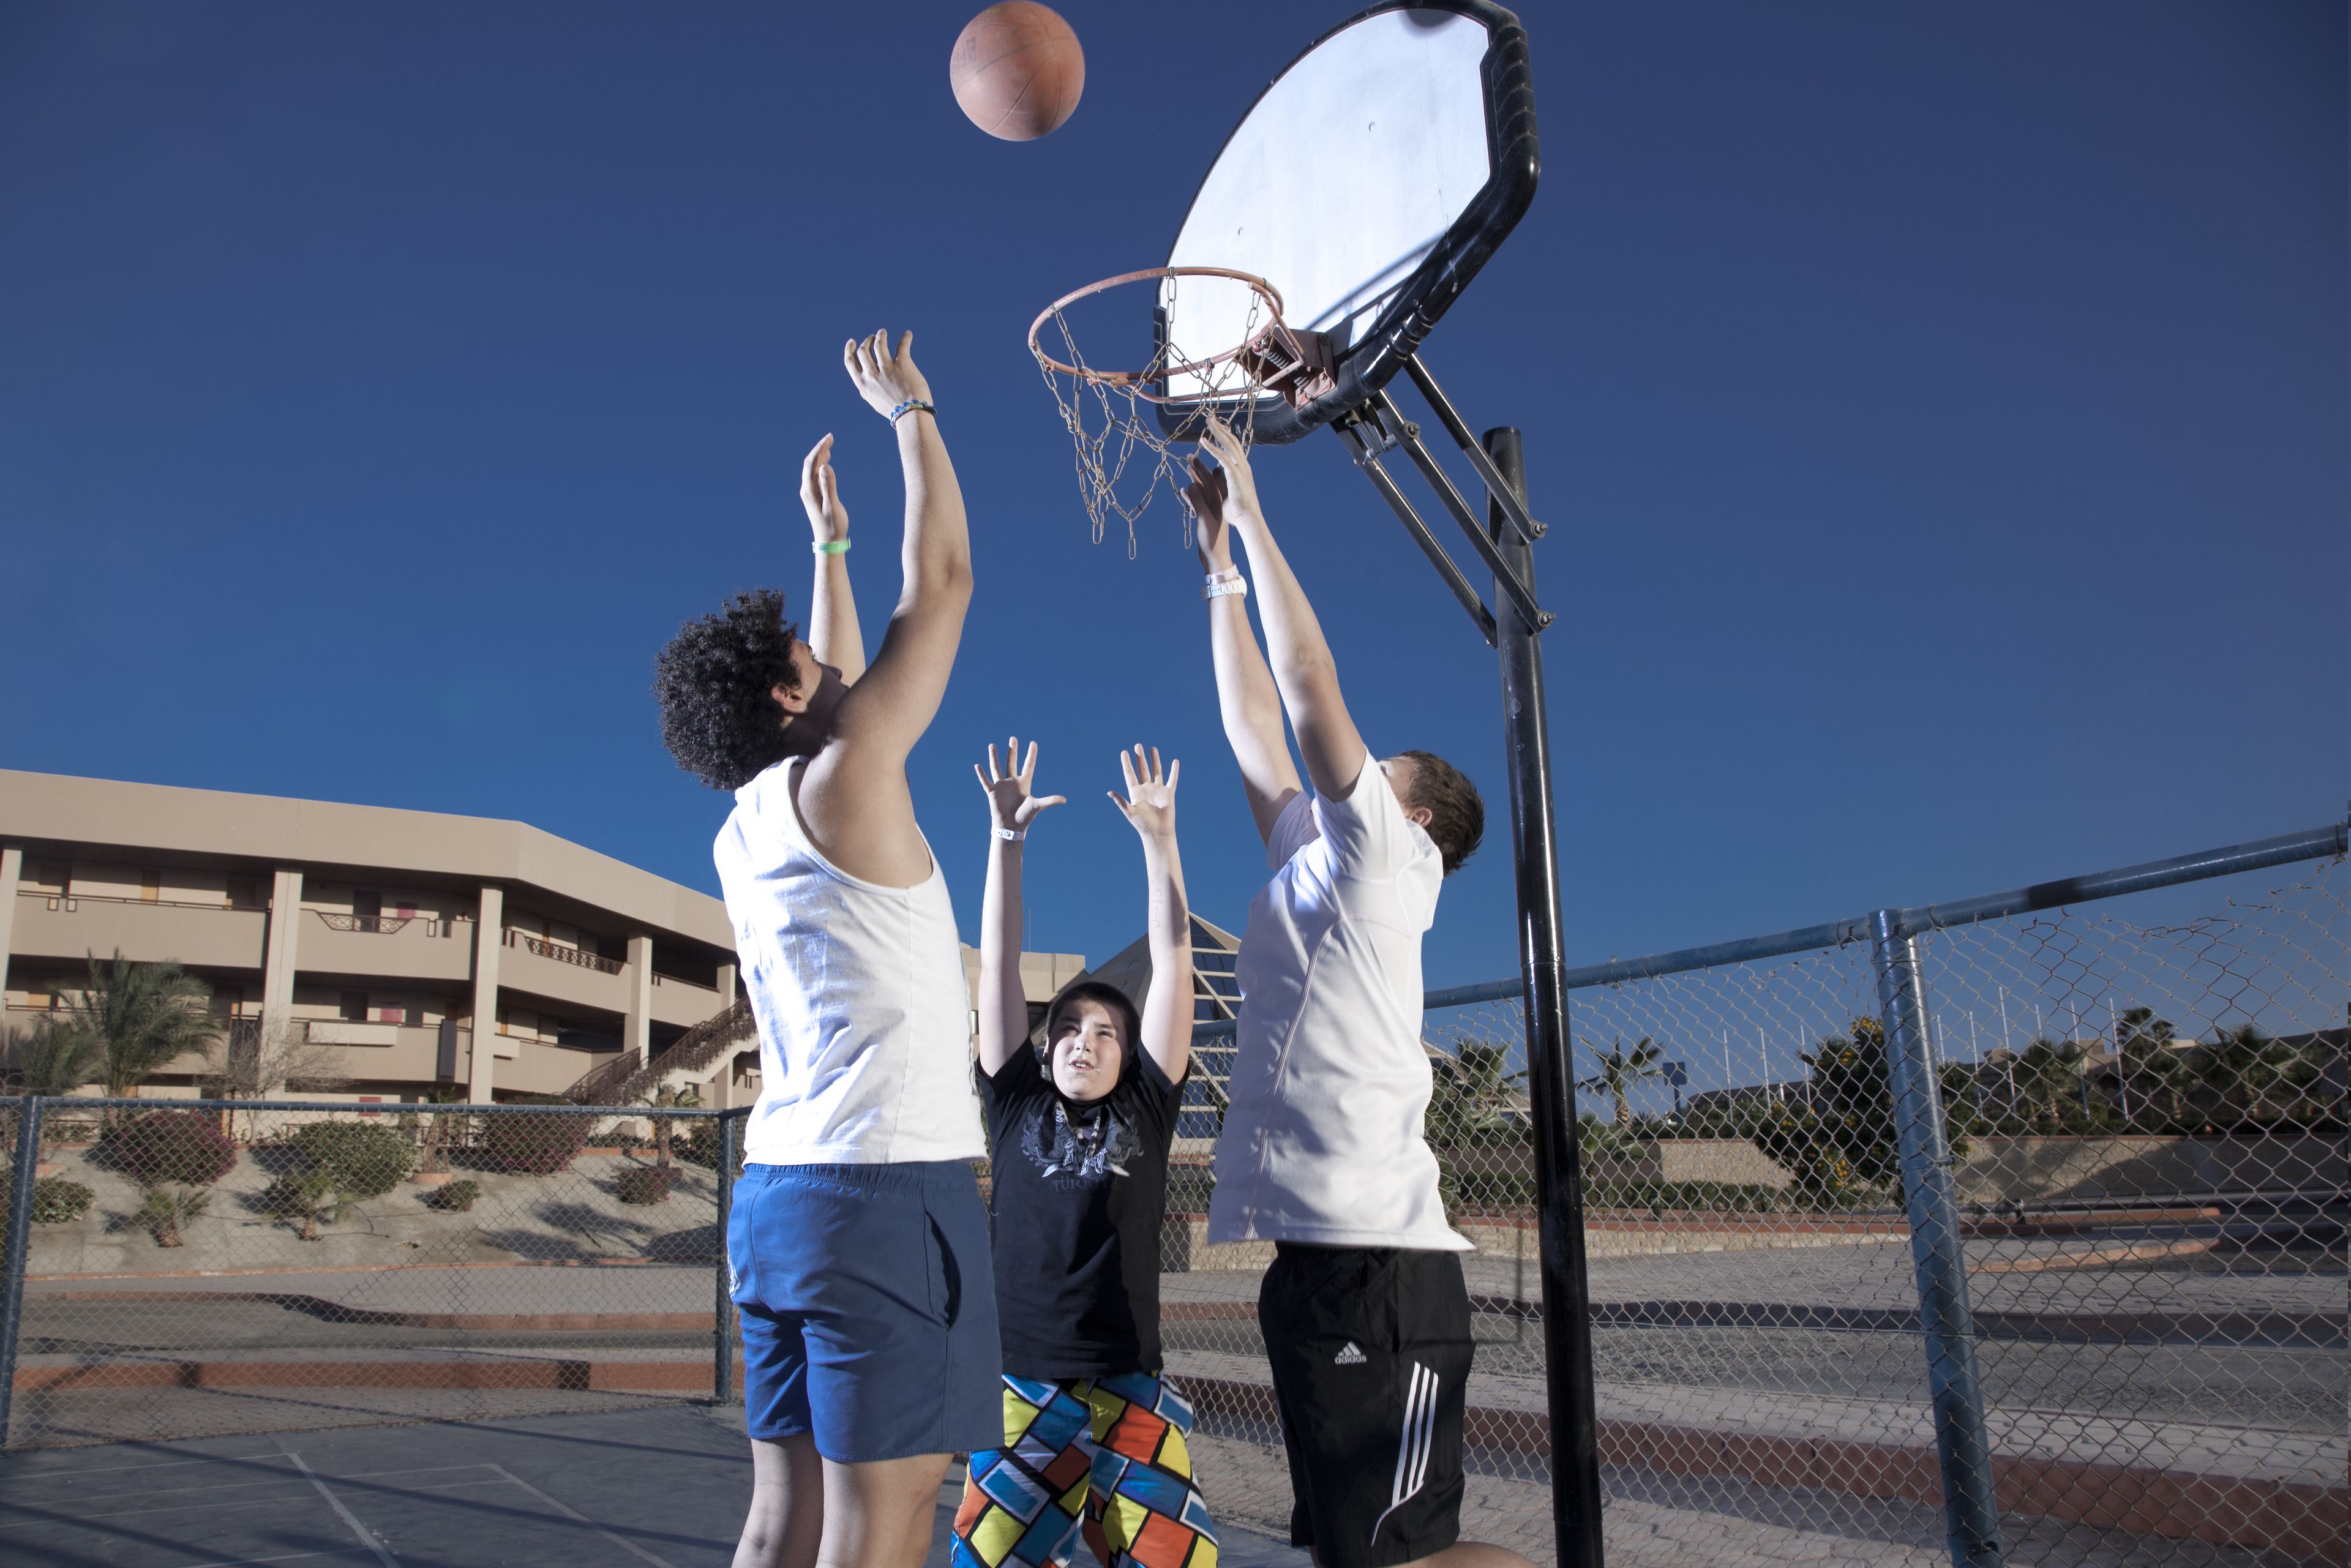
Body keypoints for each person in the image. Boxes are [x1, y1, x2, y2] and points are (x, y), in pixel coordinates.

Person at [654, 330, 996, 1568]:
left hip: (780, 1201)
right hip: (883, 1195)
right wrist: (916, 415)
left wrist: (830, 544)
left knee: (781, 1518)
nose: (829, 661)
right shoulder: (852, 782)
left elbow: (840, 671)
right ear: (794, 705)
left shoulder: (751, 824)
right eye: (808, 662)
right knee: (886, 1521)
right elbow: (946, 582)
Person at [1182, 418, 1529, 1568]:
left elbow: (1308, 686)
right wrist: (1220, 572)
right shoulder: (1320, 864)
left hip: (1383, 1266)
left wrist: (1258, 507)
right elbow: (1252, 733)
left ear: (1416, 814)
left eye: (1385, 774)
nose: (1362, 774)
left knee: (1403, 1554)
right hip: (1321, 1262)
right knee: (1349, 1549)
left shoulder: (1390, 854)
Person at [950, 738, 1220, 1568]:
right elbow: (998, 958)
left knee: (1181, 1563)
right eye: (1068, 1026)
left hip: (1130, 1384)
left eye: (1105, 1031)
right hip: (1022, 1388)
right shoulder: (1015, 1096)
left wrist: (1160, 841)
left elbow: (1174, 956)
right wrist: (1007, 841)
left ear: (1130, 1053)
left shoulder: (1147, 1101)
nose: (1083, 1040)